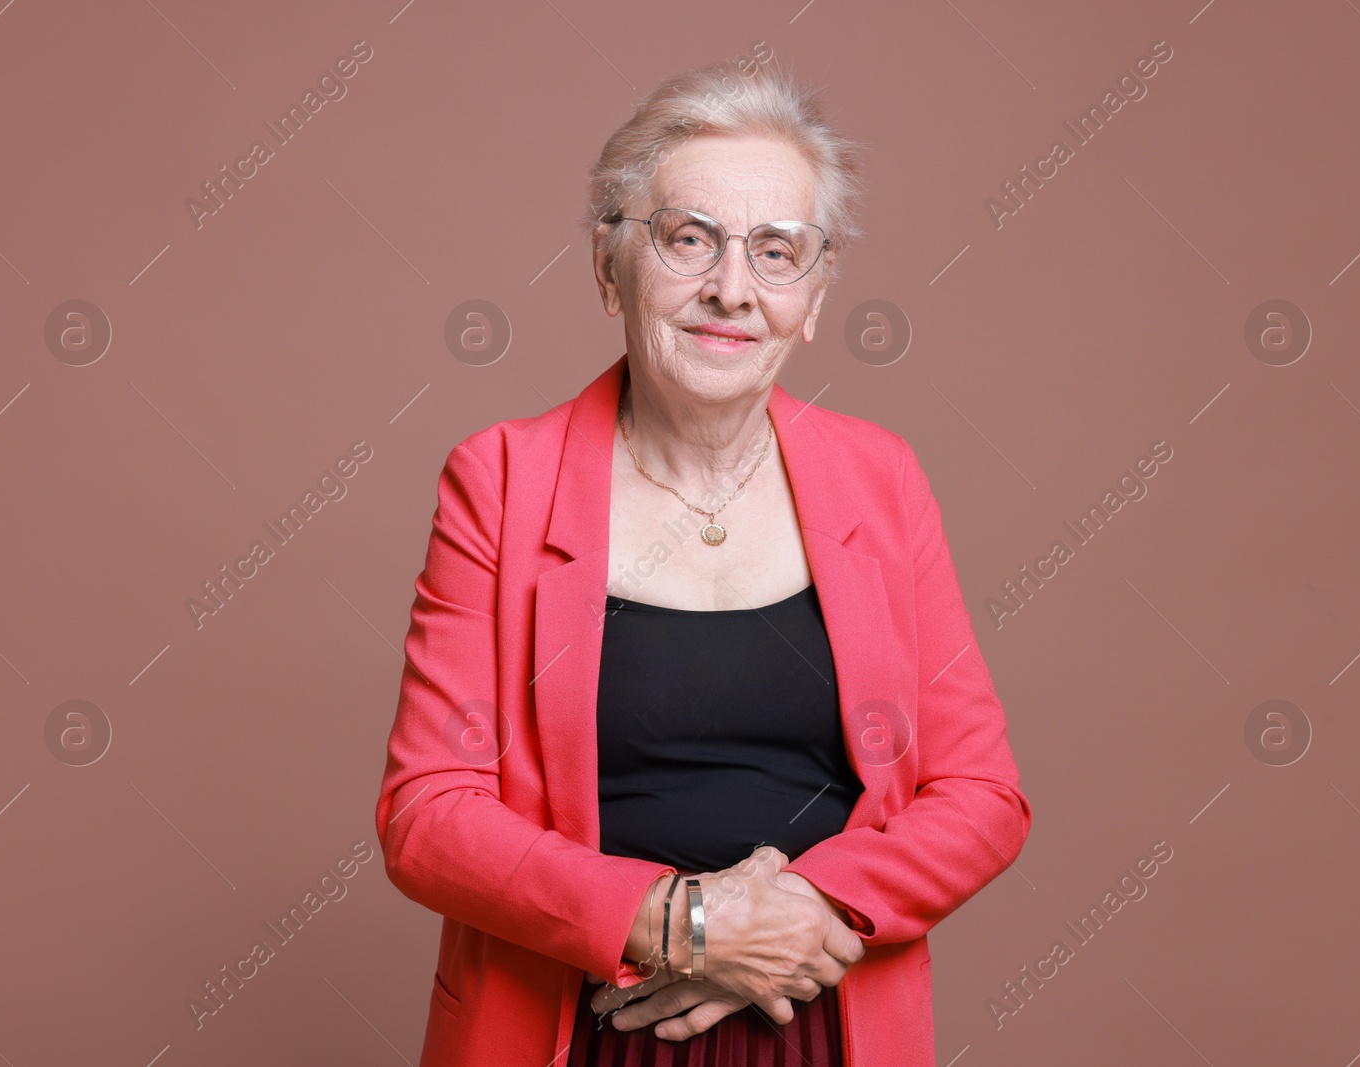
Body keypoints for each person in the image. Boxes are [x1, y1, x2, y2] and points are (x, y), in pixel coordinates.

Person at [373, 56, 1031, 1067]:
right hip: (577, 1026)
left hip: (822, 1019)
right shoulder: (498, 479)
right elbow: (429, 812)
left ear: (811, 299)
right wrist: (674, 919)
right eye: (689, 240)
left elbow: (981, 793)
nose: (731, 288)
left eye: (777, 253)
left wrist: (809, 908)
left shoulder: (883, 479)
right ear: (609, 267)